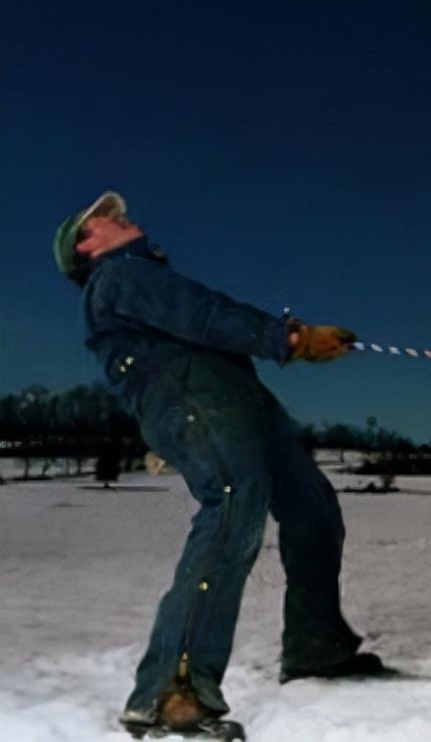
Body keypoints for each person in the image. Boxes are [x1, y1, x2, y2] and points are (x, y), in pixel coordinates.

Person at [53, 191, 383, 737]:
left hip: (238, 400)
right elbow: (205, 317)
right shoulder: (118, 277)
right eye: (101, 218)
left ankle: (316, 649)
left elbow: (203, 321)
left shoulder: (141, 276)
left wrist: (287, 337)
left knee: (312, 507)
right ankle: (170, 694)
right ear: (86, 248)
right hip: (194, 400)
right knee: (231, 510)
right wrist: (291, 338)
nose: (117, 216)